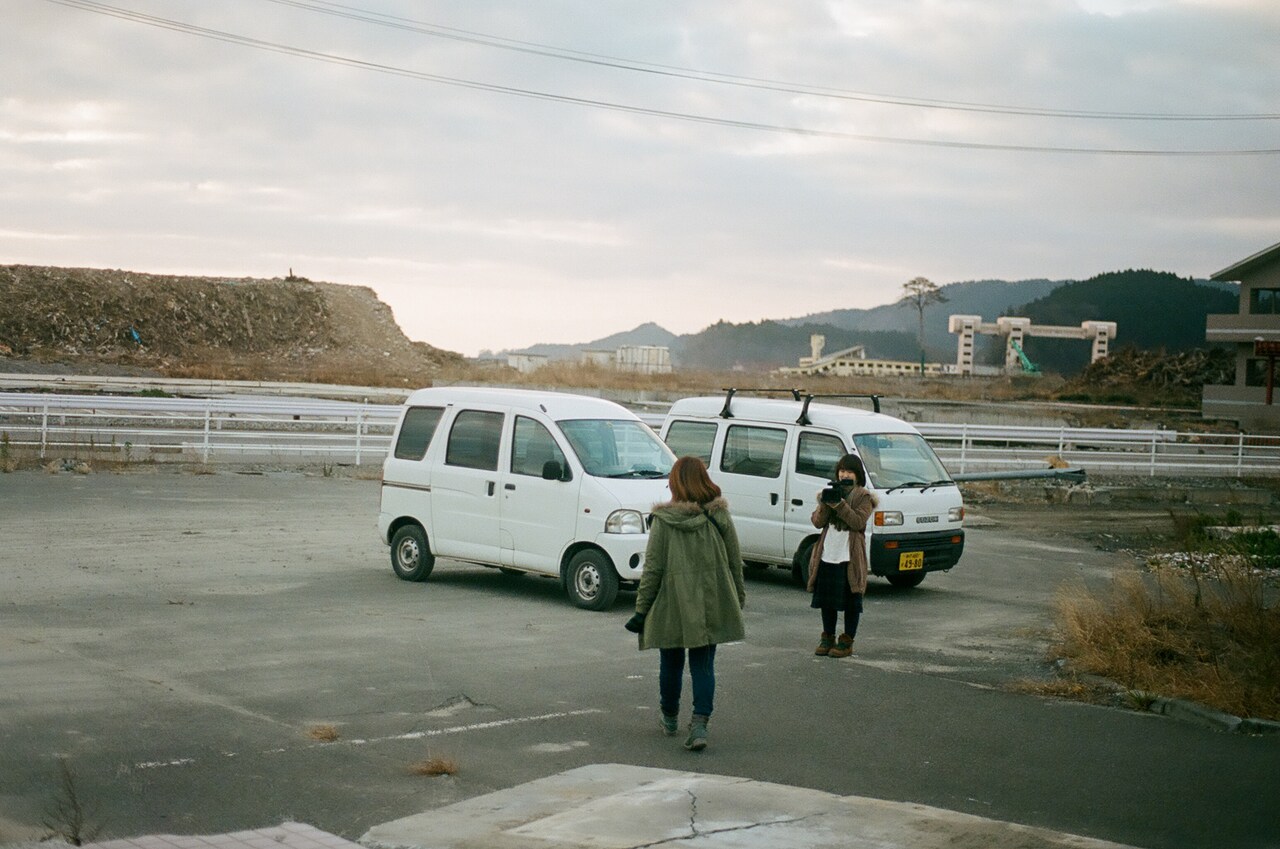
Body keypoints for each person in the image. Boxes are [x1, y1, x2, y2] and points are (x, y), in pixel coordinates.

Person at [626, 456, 745, 751]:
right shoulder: (720, 516)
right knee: (703, 664)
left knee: (671, 662)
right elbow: (735, 562)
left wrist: (641, 610)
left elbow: (652, 569)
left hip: (672, 603)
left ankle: (669, 718)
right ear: (703, 479)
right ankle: (700, 725)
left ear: (676, 483)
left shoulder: (664, 521)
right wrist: (737, 598)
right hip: (710, 600)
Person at [807, 453, 877, 658]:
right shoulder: (829, 492)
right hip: (828, 552)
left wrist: (839, 504)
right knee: (827, 599)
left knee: (851, 599)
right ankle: (827, 636)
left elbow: (858, 522)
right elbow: (817, 522)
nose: (844, 474)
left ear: (858, 476)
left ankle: (846, 641)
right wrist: (825, 503)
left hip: (850, 555)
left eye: (849, 471)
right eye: (842, 471)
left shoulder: (863, 496)